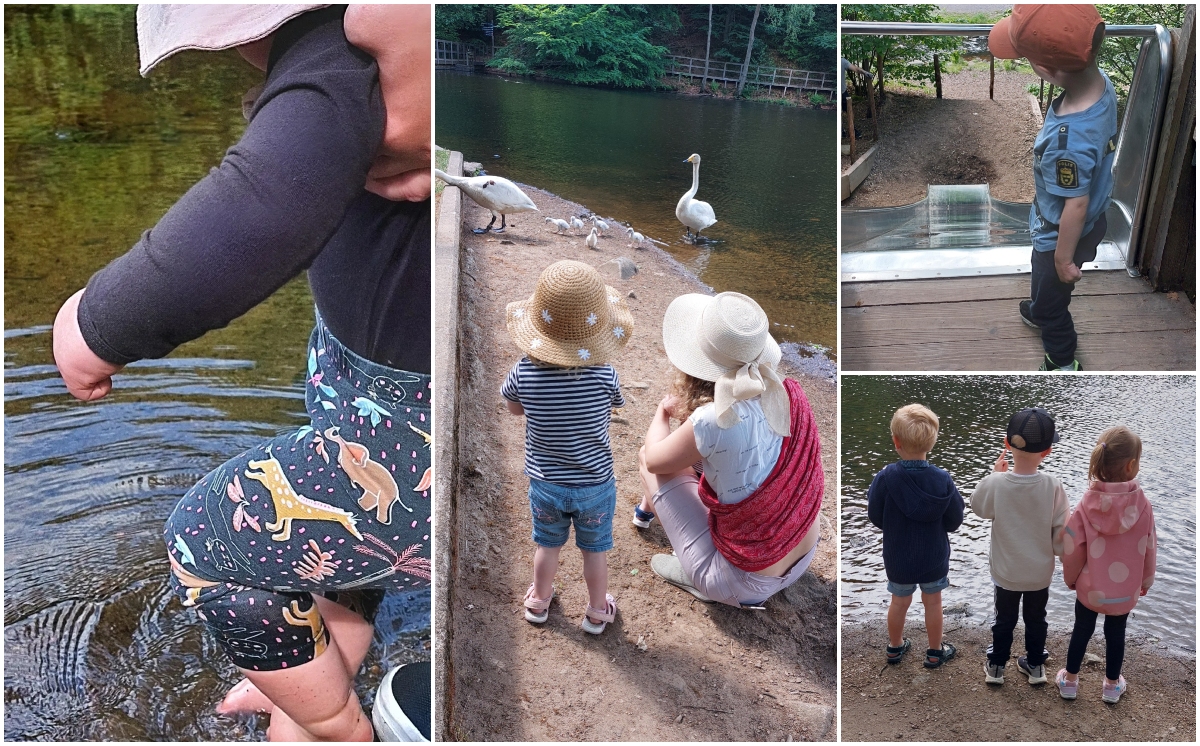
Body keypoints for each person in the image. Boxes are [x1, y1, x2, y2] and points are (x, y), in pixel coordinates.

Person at [51, 5, 432, 741]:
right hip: (376, 390)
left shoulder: (338, 58)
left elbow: (261, 209)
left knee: (208, 544)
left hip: (414, 431)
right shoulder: (383, 49)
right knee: (327, 520)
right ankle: (328, 652)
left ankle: (334, 723)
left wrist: (96, 324)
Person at [635, 292, 823, 610]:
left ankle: (697, 573)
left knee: (648, 458)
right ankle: (654, 514)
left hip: (743, 585)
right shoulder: (789, 393)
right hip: (802, 554)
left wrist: (663, 413)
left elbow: (654, 461)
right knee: (705, 458)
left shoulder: (712, 420)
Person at [502, 260, 634, 635]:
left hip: (546, 483)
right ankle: (596, 611)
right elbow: (615, 404)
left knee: (548, 546)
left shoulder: (523, 372)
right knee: (595, 551)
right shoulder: (605, 373)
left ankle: (539, 602)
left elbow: (514, 409)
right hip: (595, 484)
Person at [989, 4, 1116, 371]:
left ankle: (1062, 361)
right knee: (1042, 274)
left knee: (1052, 290)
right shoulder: (1099, 82)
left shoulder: (1069, 142)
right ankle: (1042, 301)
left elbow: (1074, 204)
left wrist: (1063, 257)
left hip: (1062, 232)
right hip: (1089, 219)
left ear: (1046, 69)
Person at [971, 407, 1069, 687]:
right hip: (1039, 573)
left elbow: (979, 508)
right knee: (1037, 619)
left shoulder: (997, 483)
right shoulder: (1053, 485)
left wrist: (992, 476)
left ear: (1006, 444)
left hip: (1006, 572)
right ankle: (1035, 665)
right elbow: (1062, 528)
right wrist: (1063, 557)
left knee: (1004, 619)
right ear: (1047, 451)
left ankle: (997, 666)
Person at [1058, 426, 1156, 703]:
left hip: (1090, 588)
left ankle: (1070, 681)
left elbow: (1071, 545)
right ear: (1132, 465)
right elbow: (1149, 547)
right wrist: (1145, 581)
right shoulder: (1144, 505)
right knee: (1116, 634)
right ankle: (1112, 687)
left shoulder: (1085, 504)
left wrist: (1071, 578)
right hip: (1125, 590)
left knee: (1082, 630)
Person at [867, 404, 964, 668]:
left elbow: (875, 516)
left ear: (896, 442)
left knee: (899, 602)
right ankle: (935, 651)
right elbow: (955, 521)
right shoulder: (943, 479)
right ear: (931, 443)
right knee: (933, 603)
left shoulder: (885, 478)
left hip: (898, 555)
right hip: (933, 556)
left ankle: (895, 647)